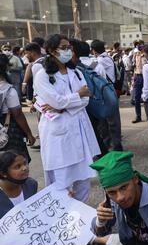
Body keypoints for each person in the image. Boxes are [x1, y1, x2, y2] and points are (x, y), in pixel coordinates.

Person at [34, 34, 100, 202]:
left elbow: (85, 100)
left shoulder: (76, 72)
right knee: (60, 182)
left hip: (79, 129)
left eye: (69, 47)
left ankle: (79, 214)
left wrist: (63, 107)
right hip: (58, 132)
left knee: (84, 181)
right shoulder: (42, 75)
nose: (68, 51)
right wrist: (74, 97)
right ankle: (62, 219)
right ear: (50, 51)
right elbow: (56, 100)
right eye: (63, 48)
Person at [70, 39, 109, 157]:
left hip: (81, 105)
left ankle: (96, 153)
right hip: (97, 102)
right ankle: (103, 152)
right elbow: (104, 84)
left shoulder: (75, 70)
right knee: (98, 129)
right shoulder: (97, 65)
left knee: (90, 130)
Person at [0, 55, 35, 161]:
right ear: (6, 68)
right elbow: (18, 114)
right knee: (12, 161)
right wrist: (29, 134)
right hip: (8, 129)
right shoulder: (8, 90)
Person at [91, 40, 123, 152]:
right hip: (112, 89)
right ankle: (116, 143)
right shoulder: (108, 58)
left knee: (108, 121)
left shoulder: (98, 61)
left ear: (94, 50)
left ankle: (112, 145)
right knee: (113, 119)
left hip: (105, 92)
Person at [0, 151, 38, 219]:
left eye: (25, 163)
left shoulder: (31, 184)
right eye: (18, 166)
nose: (25, 168)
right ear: (3, 174)